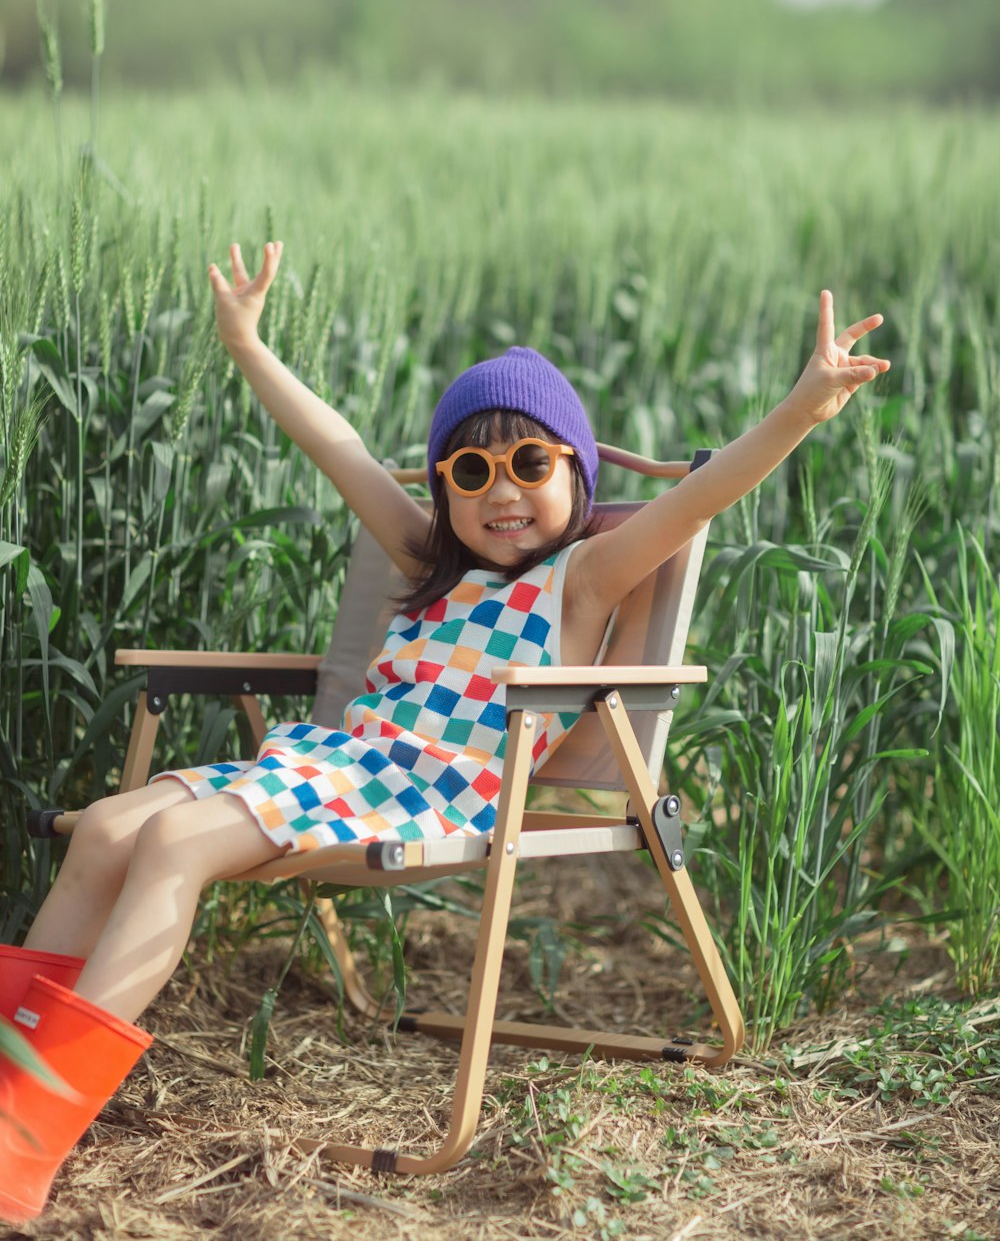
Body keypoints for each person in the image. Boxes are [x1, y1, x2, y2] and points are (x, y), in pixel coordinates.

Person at [0, 241, 890, 1221]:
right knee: (102, 830)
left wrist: (804, 408)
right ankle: (12, 1076)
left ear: (576, 474)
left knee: (170, 839)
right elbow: (336, 444)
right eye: (471, 469)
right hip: (338, 764)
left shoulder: (583, 579)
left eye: (530, 463)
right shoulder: (427, 555)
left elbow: (701, 497)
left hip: (432, 786)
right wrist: (247, 345)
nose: (501, 489)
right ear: (444, 487)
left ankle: (26, 1132)